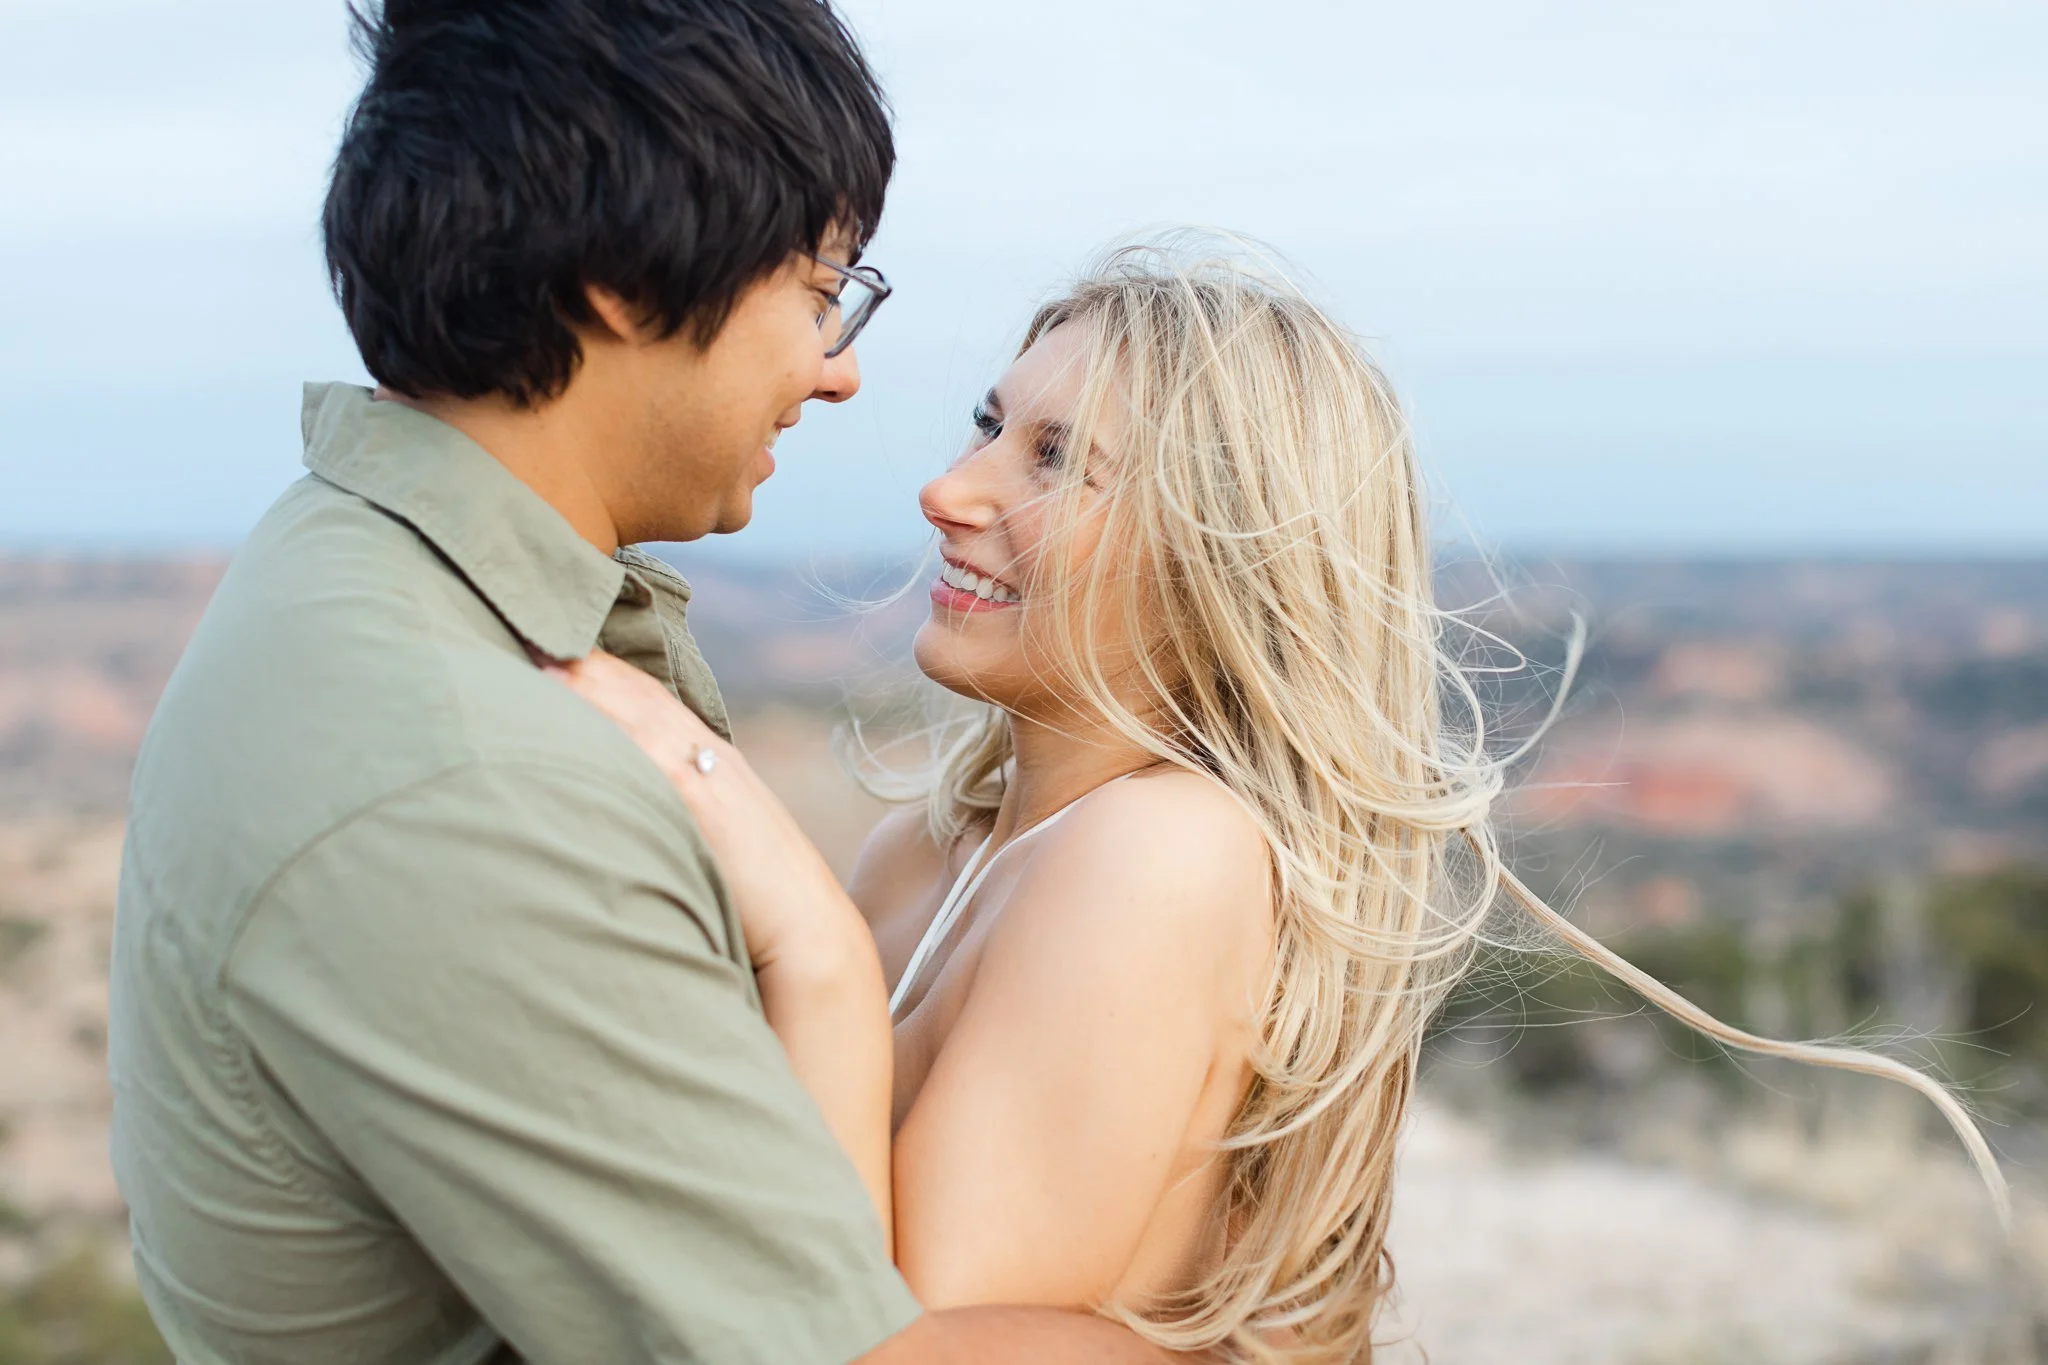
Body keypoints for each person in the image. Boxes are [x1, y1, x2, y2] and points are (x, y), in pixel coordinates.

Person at [556, 237, 2012, 1363]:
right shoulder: (921, 852)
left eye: (1056, 460)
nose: (951, 487)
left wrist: (785, 920)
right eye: (991, 425)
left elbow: (886, 1340)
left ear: (1216, 555)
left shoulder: (1160, 855)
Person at [107, 2, 1206, 1362]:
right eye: (820, 293)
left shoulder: (360, 582)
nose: (840, 369)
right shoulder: (473, 784)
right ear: (626, 282)